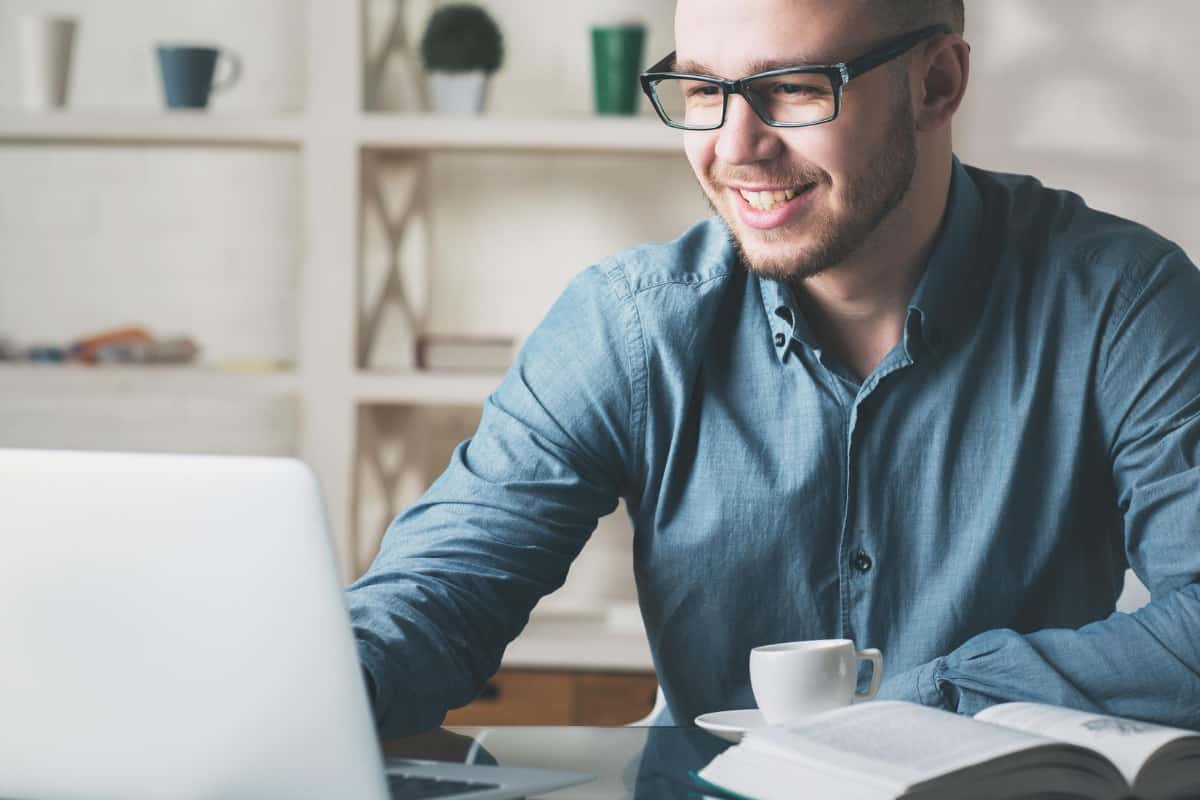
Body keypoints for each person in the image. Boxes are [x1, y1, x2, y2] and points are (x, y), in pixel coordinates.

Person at [347, 0, 1200, 736]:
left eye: (792, 88)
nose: (735, 146)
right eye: (703, 90)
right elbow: (440, 596)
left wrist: (927, 704)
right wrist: (327, 679)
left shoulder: (1121, 303)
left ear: (937, 84)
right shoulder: (629, 325)